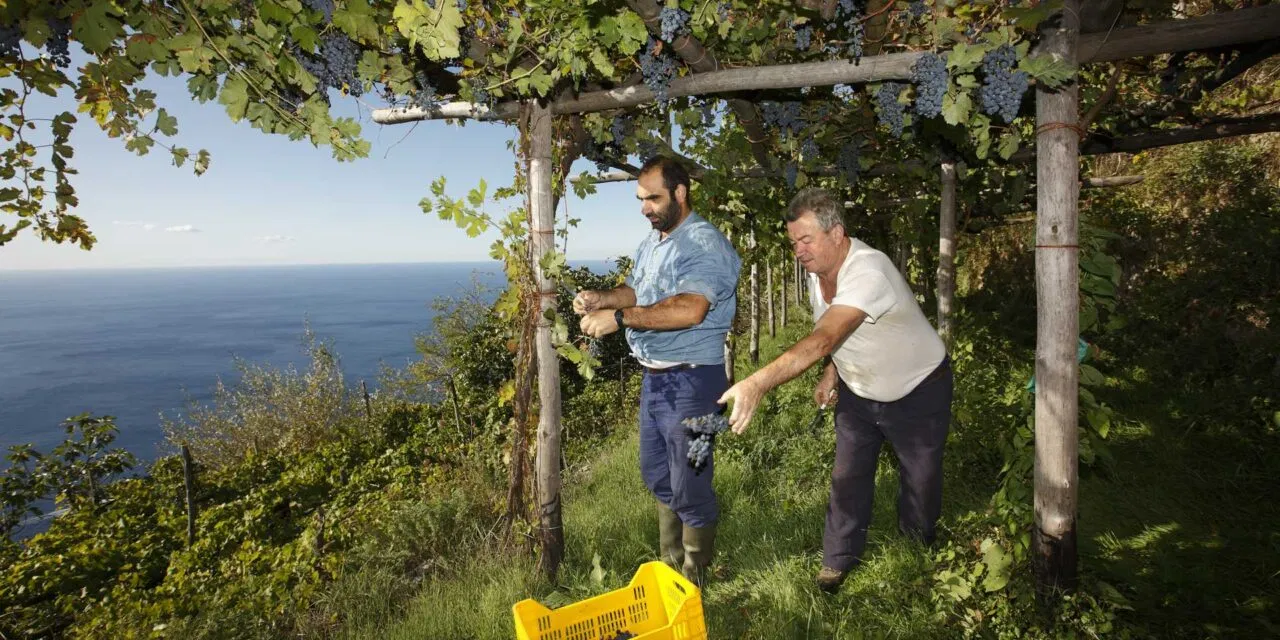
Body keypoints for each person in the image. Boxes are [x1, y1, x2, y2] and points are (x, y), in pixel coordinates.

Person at [717, 187, 952, 593]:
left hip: (917, 388)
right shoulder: (817, 273)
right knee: (848, 474)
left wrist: (757, 382)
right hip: (860, 393)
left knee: (921, 477)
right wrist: (832, 374)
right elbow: (838, 337)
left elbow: (826, 336)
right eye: (793, 242)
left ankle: (916, 552)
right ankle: (837, 560)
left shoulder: (868, 271)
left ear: (837, 233)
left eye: (806, 240)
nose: (798, 251)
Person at [575, 156, 741, 586]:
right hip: (658, 381)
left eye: (653, 198)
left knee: (692, 478)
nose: (645, 207)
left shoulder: (703, 244)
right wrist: (605, 299)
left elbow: (690, 308)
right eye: (640, 199)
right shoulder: (655, 241)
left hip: (695, 381)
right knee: (656, 472)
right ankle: (672, 566)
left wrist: (622, 319)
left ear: (680, 193)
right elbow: (639, 291)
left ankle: (693, 579)